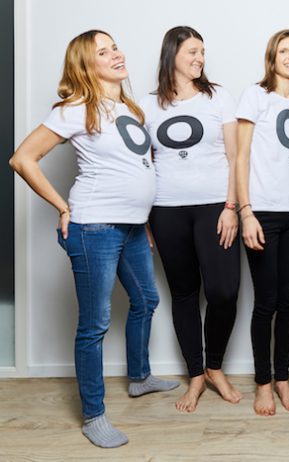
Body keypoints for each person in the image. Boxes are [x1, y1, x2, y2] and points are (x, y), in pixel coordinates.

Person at [9, 30, 178, 448]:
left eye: (115, 46)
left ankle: (138, 377)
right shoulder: (75, 108)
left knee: (146, 301)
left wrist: (145, 221)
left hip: (133, 227)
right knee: (95, 324)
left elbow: (138, 169)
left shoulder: (129, 108)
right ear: (87, 65)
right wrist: (63, 207)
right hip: (94, 228)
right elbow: (22, 158)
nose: (115, 54)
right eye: (103, 52)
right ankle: (93, 415)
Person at [141, 26, 241, 413]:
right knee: (183, 293)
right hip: (166, 210)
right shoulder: (148, 106)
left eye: (202, 52)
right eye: (192, 52)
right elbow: (144, 163)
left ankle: (215, 365)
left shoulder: (219, 98)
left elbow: (236, 159)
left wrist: (231, 207)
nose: (200, 59)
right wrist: (145, 219)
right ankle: (196, 375)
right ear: (172, 55)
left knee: (224, 291)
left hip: (216, 206)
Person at [235, 29, 289, 416]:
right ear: (272, 58)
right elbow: (242, 156)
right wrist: (245, 211)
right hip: (262, 212)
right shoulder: (256, 95)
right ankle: (263, 384)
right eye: (284, 50)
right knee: (266, 302)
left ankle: (283, 378)